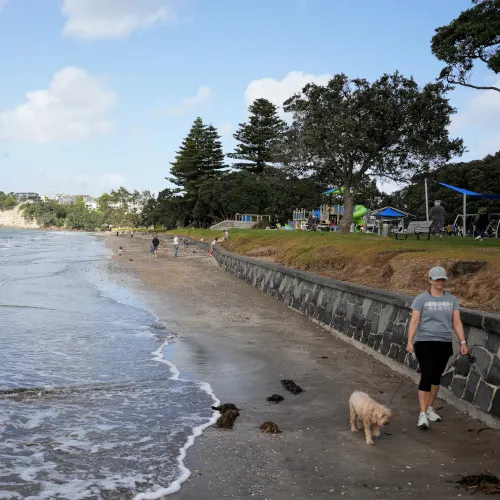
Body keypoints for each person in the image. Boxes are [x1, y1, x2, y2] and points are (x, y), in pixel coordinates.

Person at [406, 266, 468, 429]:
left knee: (436, 377)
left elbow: (456, 322)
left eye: (443, 279)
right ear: (430, 280)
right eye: (437, 279)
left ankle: (429, 408)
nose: (440, 282)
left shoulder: (451, 299)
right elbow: (414, 321)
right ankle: (422, 413)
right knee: (427, 374)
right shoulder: (421, 299)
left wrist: (462, 342)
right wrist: (409, 341)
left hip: (444, 342)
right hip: (424, 341)